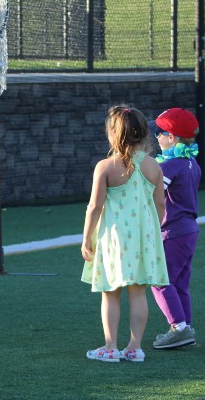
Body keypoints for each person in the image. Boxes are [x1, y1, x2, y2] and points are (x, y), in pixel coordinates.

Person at [81, 105, 169, 363]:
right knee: (138, 293)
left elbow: (94, 207)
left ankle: (110, 347)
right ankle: (135, 347)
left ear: (113, 134)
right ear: (144, 133)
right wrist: (155, 228)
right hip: (143, 239)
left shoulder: (105, 166)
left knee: (110, 292)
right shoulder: (154, 167)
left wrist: (86, 237)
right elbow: (161, 205)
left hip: (113, 240)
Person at [148, 107, 201, 349]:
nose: (156, 136)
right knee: (179, 283)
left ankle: (178, 327)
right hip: (189, 230)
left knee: (159, 279)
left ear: (172, 138)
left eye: (160, 132)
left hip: (172, 231)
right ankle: (186, 327)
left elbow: (152, 195)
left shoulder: (169, 167)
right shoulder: (191, 163)